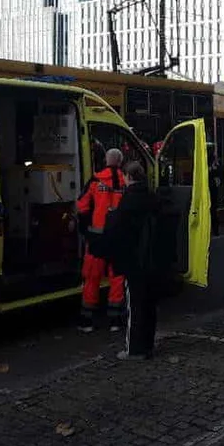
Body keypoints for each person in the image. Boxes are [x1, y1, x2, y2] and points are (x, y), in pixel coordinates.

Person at [97, 161, 160, 360]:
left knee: (135, 306)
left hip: (134, 260)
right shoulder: (152, 197)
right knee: (150, 305)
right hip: (152, 259)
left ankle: (134, 349)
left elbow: (120, 230)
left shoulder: (128, 199)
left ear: (128, 176)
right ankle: (148, 345)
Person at [76, 147, 126, 332]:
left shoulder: (96, 180)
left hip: (96, 238)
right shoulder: (125, 181)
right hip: (118, 238)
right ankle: (115, 320)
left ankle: (87, 321)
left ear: (106, 160)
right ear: (120, 162)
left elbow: (81, 206)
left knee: (92, 278)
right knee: (117, 278)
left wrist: (85, 229)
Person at [207, 143, 221, 237]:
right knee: (212, 212)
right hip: (210, 189)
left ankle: (214, 232)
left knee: (212, 212)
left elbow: (218, 175)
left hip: (211, 189)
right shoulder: (211, 163)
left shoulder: (214, 163)